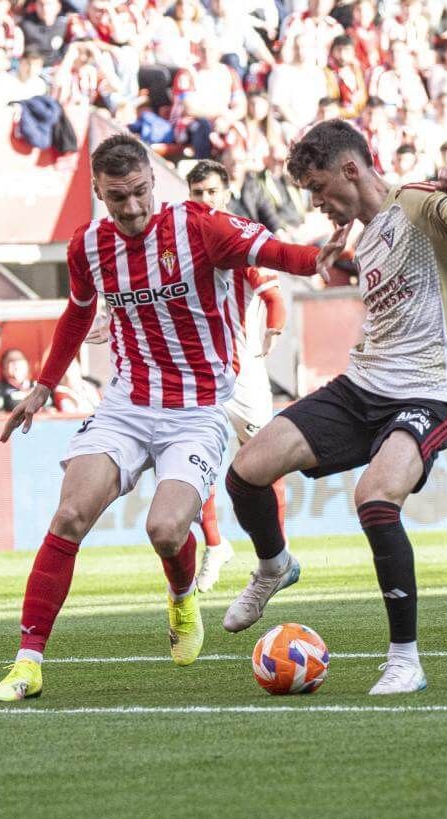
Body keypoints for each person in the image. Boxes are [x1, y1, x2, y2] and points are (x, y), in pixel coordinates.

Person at [0, 133, 345, 702]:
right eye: (115, 197)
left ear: (154, 181)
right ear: (98, 193)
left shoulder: (201, 226)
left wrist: (319, 257)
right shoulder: (88, 246)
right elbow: (78, 313)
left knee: (165, 528)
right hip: (126, 404)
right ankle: (28, 662)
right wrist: (43, 386)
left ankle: (182, 598)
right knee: (70, 515)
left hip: (197, 409)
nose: (130, 208)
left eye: (138, 193)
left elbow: (278, 254)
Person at [219, 120, 447, 696]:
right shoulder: (362, 237)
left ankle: (405, 659)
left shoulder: (419, 205)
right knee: (246, 471)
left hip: (429, 390)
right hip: (362, 386)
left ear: (352, 169)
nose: (318, 202)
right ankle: (275, 566)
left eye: (319, 187)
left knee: (374, 499)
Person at [185, 159, 288, 593]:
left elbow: (272, 293)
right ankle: (215, 544)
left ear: (226, 194)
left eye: (212, 192)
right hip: (196, 368)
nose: (206, 200)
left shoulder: (239, 238)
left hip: (242, 368)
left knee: (265, 460)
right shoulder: (178, 241)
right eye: (198, 193)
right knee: (189, 459)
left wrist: (275, 328)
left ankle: (277, 553)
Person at [0, 348, 35, 415]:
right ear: (3, 369)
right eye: (11, 361)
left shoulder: (38, 386)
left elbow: (49, 409)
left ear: (28, 365)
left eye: (20, 360)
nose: (16, 364)